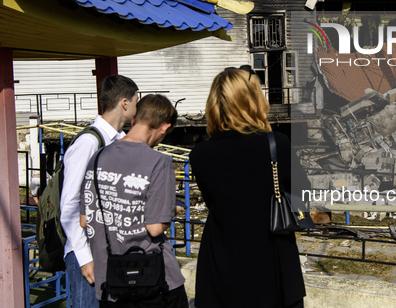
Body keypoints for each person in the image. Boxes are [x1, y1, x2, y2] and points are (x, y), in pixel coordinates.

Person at [189, 66, 307, 308]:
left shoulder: (199, 154)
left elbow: (215, 200)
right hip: (272, 259)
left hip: (222, 261)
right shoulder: (277, 144)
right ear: (253, 99)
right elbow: (301, 195)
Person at [80, 94, 188, 308]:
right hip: (154, 279)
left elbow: (85, 220)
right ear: (164, 128)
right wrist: (170, 210)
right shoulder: (160, 162)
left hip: (110, 280)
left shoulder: (98, 157)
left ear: (134, 119)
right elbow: (155, 228)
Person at [61, 74, 138, 308]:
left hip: (111, 251)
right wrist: (85, 259)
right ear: (124, 103)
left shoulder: (120, 139)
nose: (137, 106)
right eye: (136, 100)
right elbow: (70, 206)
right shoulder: (89, 142)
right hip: (87, 254)